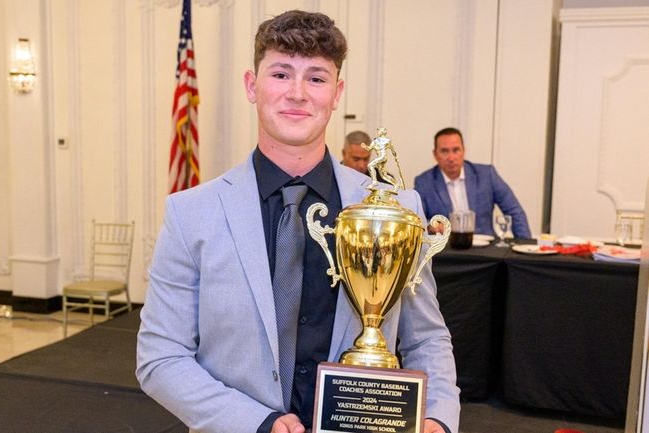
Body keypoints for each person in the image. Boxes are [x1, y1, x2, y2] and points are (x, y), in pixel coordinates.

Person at [137, 10, 459, 433]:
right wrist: (255, 423)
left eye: (317, 78)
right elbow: (161, 356)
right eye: (281, 74)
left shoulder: (399, 211)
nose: (298, 93)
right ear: (252, 86)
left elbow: (426, 338)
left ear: (337, 92)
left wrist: (437, 417)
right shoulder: (191, 213)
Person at [413, 127, 531, 238]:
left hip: (485, 252)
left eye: (456, 150)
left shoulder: (486, 175)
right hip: (446, 254)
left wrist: (525, 247)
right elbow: (417, 222)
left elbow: (514, 211)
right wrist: (431, 226)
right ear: (435, 154)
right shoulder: (424, 182)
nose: (451, 157)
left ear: (464, 151)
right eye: (444, 151)